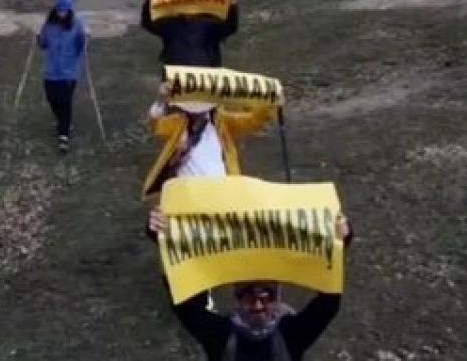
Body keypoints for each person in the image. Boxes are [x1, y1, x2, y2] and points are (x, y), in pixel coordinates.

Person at [146, 207, 354, 360]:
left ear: (278, 297)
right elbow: (183, 301)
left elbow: (329, 303)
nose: (257, 305)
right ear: (236, 297)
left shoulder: (292, 334)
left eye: (267, 296)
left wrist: (340, 243)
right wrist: (164, 240)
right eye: (247, 295)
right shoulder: (219, 335)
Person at [140, 80, 277, 199]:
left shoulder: (223, 121)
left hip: (220, 192)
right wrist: (161, 100)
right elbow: (155, 124)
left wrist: (269, 100)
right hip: (188, 193)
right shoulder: (176, 124)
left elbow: (254, 121)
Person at [35, 0, 89, 153]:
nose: (61, 14)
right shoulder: (49, 24)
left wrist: (85, 37)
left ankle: (63, 136)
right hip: (51, 71)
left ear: (69, 10)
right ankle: (62, 121)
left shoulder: (77, 25)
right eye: (59, 10)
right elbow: (44, 44)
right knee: (53, 99)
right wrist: (39, 37)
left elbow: (81, 46)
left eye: (64, 11)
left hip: (68, 72)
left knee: (65, 101)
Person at [139, 0, 239, 68]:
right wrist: (148, 1)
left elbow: (230, 27)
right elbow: (148, 24)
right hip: (176, 76)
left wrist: (232, 6)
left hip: (206, 74)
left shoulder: (210, 24)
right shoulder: (170, 24)